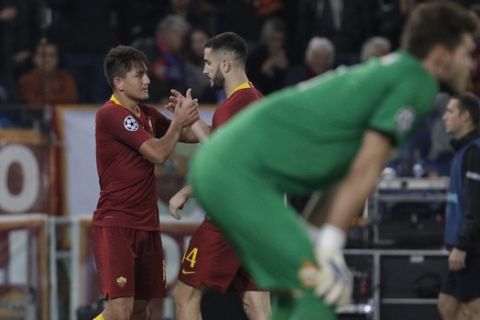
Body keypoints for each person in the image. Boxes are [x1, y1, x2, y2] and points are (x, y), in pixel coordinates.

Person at [187, 2, 477, 319]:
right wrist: (331, 241)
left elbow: (344, 174)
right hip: (238, 174)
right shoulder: (417, 81)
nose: (472, 64)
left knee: (298, 293)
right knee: (319, 287)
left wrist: (318, 237)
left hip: (227, 168)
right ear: (441, 53)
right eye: (467, 52)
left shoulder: (393, 75)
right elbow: (365, 168)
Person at [91, 45, 200, 320]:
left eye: (146, 74)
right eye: (139, 75)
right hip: (117, 223)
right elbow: (158, 153)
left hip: (147, 226)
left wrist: (189, 117)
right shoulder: (111, 114)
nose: (147, 80)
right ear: (119, 83)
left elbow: (186, 135)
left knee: (141, 310)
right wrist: (177, 123)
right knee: (119, 311)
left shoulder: (146, 114)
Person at [168, 32, 271, 320]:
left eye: (207, 62)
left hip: (230, 219)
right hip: (258, 218)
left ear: (225, 64)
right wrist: (182, 121)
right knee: (256, 305)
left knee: (184, 295)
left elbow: (221, 157)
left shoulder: (235, 104)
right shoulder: (253, 99)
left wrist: (184, 193)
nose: (204, 70)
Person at [438, 93, 480, 320]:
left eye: (450, 112)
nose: (444, 117)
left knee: (475, 310)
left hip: (472, 248)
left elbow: (476, 205)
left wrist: (462, 246)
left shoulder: (475, 152)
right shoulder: (462, 151)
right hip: (461, 244)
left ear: (465, 117)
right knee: (447, 306)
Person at [19, 41, 78, 107]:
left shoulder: (66, 77)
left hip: (62, 115)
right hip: (35, 116)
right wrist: (57, 99)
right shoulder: (27, 79)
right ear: (34, 58)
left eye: (51, 55)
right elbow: (33, 103)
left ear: (57, 59)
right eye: (43, 55)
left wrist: (46, 100)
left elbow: (71, 99)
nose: (47, 59)